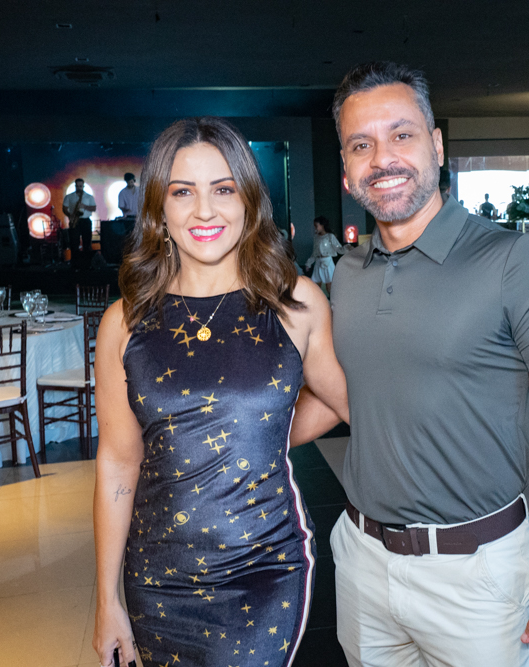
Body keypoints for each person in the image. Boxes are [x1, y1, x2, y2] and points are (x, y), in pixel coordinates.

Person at [293, 61, 529, 667]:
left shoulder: (514, 261)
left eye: (401, 135)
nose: (382, 158)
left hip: (477, 576)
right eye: (361, 145)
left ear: (437, 146)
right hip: (362, 561)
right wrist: (231, 438)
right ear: (346, 168)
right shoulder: (351, 275)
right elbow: (340, 397)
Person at [91, 117, 349, 667]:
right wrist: (106, 598)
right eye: (183, 192)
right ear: (158, 209)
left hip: (264, 570)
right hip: (156, 577)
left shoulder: (296, 303)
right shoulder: (124, 322)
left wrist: (257, 437)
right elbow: (117, 464)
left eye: (223, 189)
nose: (204, 211)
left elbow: (343, 400)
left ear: (249, 202)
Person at [304, 215, 347, 294]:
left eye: (316, 226)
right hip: (318, 262)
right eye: (314, 226)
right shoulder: (316, 237)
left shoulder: (330, 236)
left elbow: (339, 249)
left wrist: (347, 248)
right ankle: (318, 300)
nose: (315, 228)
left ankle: (333, 300)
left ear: (322, 225)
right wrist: (309, 263)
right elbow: (315, 253)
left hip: (328, 262)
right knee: (316, 285)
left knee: (329, 285)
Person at [62, 177, 97, 262]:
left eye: (80, 186)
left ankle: (87, 262)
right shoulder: (69, 196)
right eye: (77, 186)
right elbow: (64, 208)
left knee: (87, 242)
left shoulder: (89, 197)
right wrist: (70, 215)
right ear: (75, 186)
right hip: (74, 220)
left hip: (85, 220)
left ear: (83, 186)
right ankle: (75, 262)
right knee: (74, 243)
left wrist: (84, 206)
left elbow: (94, 208)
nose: (79, 188)